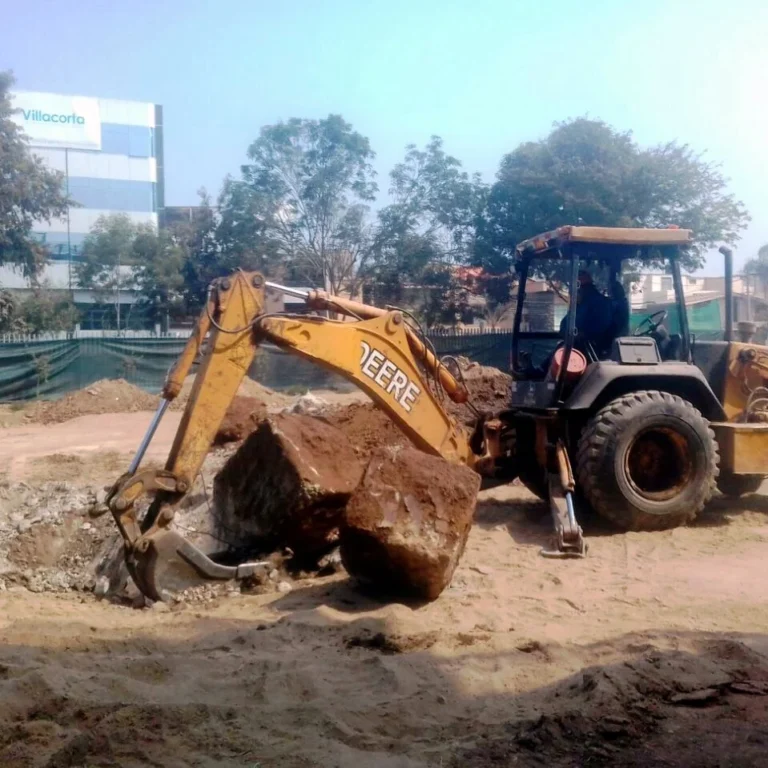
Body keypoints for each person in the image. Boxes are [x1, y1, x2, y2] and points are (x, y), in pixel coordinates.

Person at [559, 269, 613, 354]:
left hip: (590, 349)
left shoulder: (600, 304)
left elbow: (601, 327)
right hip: (577, 344)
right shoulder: (580, 305)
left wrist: (582, 334)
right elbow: (566, 325)